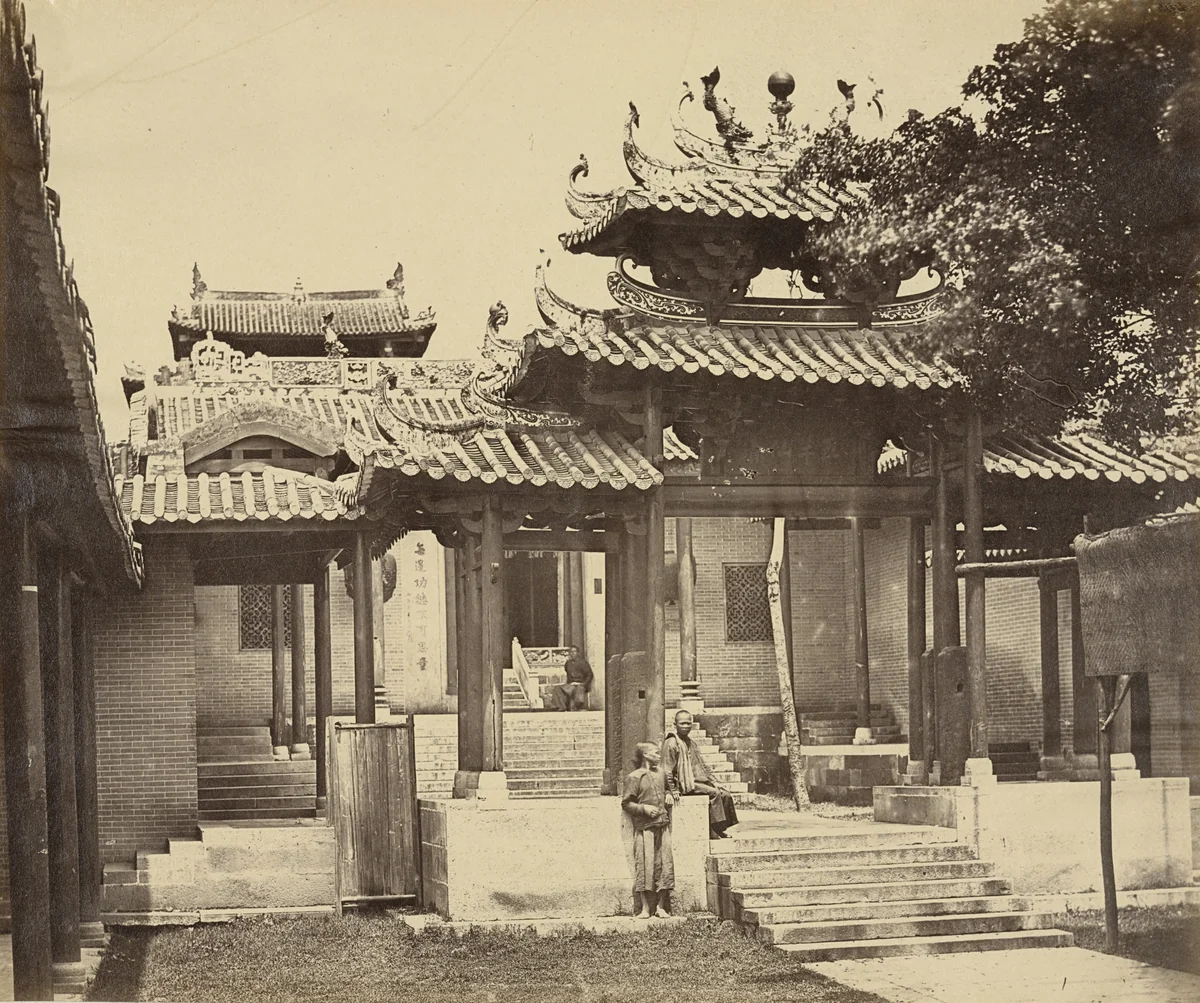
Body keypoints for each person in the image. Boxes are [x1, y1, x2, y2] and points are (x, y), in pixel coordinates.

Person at [661, 709, 739, 840]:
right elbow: (667, 769)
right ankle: (712, 830)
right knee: (714, 794)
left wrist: (715, 781)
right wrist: (672, 790)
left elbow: (702, 766)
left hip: (695, 780)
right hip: (682, 784)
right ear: (675, 725)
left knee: (725, 794)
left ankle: (719, 828)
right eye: (682, 723)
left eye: (688, 723)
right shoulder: (672, 743)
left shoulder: (692, 743)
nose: (686, 726)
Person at [621, 741, 674, 918]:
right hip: (645, 828)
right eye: (655, 753)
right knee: (644, 865)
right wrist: (643, 809)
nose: (659, 756)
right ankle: (644, 908)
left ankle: (660, 907)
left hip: (662, 825)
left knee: (664, 864)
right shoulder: (634, 777)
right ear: (645, 755)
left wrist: (668, 794)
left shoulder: (661, 774)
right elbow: (626, 803)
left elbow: (669, 788)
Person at [554, 645, 593, 711]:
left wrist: (583, 684)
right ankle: (561, 707)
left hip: (581, 684)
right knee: (558, 689)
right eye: (571, 652)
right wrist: (569, 683)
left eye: (574, 652)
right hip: (571, 684)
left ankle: (577, 707)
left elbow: (589, 675)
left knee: (578, 689)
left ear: (578, 653)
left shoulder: (583, 663)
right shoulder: (568, 663)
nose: (572, 654)